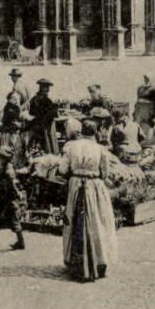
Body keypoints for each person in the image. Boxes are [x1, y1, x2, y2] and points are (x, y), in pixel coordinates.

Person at [58, 118, 118, 282]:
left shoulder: (70, 147)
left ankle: (76, 263)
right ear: (95, 132)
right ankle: (98, 261)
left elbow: (62, 169)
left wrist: (74, 172)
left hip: (76, 186)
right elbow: (105, 173)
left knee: (75, 221)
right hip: (94, 187)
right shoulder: (100, 149)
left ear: (82, 131)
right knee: (97, 221)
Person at [28, 79, 59, 154]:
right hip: (45, 127)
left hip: (36, 127)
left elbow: (31, 112)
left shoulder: (33, 99)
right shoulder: (46, 100)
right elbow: (52, 114)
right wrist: (56, 106)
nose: (48, 90)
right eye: (46, 88)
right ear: (42, 88)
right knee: (47, 146)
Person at [0, 90, 26, 168]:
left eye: (17, 99)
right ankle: (8, 166)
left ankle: (11, 166)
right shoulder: (8, 107)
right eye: (13, 98)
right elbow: (13, 117)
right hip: (8, 132)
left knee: (13, 149)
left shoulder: (15, 107)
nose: (15, 100)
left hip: (12, 132)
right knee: (9, 150)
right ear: (8, 99)